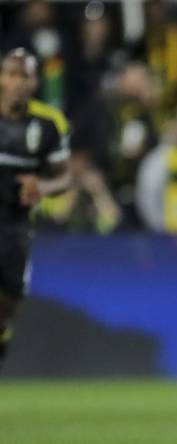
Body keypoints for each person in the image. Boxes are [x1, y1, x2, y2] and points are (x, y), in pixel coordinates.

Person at [0, 48, 71, 369]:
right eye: (11, 74)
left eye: (24, 76)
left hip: (15, 225)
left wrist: (41, 187)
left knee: (8, 305)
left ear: (35, 81)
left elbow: (64, 178)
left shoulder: (48, 124)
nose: (17, 82)